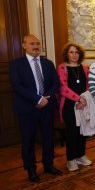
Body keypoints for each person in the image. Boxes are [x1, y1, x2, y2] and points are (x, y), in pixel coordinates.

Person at [9, 34, 62, 182]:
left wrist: (45, 98)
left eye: (38, 43)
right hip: (27, 108)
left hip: (47, 106)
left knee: (48, 137)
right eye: (32, 43)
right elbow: (17, 86)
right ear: (24, 45)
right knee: (28, 140)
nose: (36, 46)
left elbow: (55, 83)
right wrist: (37, 99)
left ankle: (48, 164)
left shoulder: (47, 63)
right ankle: (31, 169)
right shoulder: (16, 64)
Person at [57, 43, 92, 172]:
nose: (74, 55)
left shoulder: (84, 68)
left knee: (82, 131)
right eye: (71, 52)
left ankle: (81, 155)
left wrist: (85, 100)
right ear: (67, 54)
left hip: (83, 104)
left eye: (76, 52)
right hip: (69, 105)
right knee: (71, 132)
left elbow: (88, 86)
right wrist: (78, 99)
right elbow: (62, 88)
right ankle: (71, 159)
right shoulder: (62, 68)